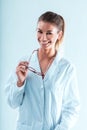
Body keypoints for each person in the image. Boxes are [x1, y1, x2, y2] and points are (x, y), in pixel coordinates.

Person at [5, 11, 80, 130]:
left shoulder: (66, 68)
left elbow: (72, 108)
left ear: (59, 35)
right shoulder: (24, 63)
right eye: (40, 31)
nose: (43, 38)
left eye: (49, 33)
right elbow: (12, 103)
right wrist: (20, 83)